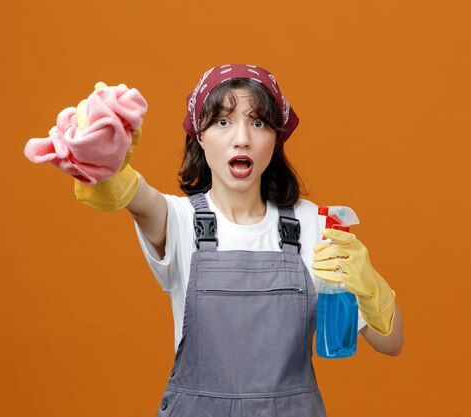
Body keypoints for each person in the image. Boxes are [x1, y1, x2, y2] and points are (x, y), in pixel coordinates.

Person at [72, 64, 404, 416]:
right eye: (222, 121)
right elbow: (136, 196)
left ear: (275, 138)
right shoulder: (179, 221)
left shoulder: (312, 224)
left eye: (258, 122)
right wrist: (104, 162)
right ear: (199, 135)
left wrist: (370, 287)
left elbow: (391, 343)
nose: (242, 137)